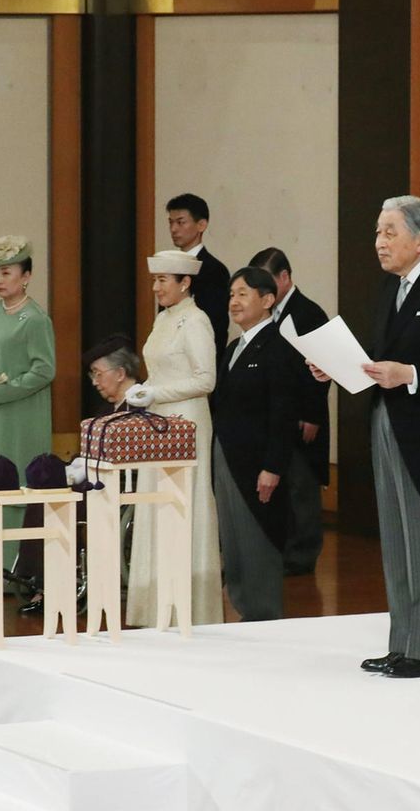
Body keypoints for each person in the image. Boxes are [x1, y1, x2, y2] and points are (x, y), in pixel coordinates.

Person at [311, 196, 420, 679]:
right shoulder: (390, 288)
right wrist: (337, 367)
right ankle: (402, 642)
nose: (379, 242)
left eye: (390, 232)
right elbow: (377, 355)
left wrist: (410, 373)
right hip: (386, 418)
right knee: (394, 536)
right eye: (377, 232)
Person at [122, 250, 224, 628]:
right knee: (155, 502)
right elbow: (162, 372)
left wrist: (156, 393)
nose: (156, 287)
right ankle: (155, 604)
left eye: (163, 280)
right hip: (158, 421)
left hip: (187, 421)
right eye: (155, 280)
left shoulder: (196, 321)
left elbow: (206, 380)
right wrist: (143, 390)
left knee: (182, 504)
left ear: (185, 283)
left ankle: (187, 605)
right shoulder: (163, 319)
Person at [0, 235, 55, 586]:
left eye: (7, 273)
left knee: (14, 484)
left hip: (21, 415)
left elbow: (44, 370)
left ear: (26, 276)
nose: (0, 280)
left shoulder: (35, 319)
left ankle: (16, 572)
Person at [211, 267, 298, 622]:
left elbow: (283, 413)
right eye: (232, 294)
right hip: (227, 457)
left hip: (257, 463)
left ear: (267, 300)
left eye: (243, 294)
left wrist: (273, 467)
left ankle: (264, 617)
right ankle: (244, 612)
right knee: (233, 542)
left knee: (256, 540)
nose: (234, 302)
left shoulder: (278, 347)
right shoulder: (234, 347)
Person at [250, 246, 329, 576]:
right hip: (277, 414)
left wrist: (313, 415)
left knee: (302, 485)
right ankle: (281, 548)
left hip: (304, 414)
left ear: (284, 277)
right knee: (281, 483)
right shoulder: (267, 313)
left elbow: (324, 367)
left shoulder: (309, 312)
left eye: (268, 280)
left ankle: (303, 554)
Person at [166, 193, 231, 367]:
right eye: (171, 222)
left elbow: (215, 326)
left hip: (198, 362)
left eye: (180, 222)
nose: (173, 229)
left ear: (201, 225)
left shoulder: (214, 270)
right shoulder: (169, 267)